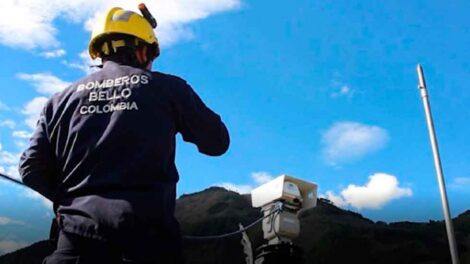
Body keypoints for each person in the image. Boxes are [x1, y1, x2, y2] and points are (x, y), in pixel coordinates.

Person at [19, 5, 229, 264]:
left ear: (100, 51)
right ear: (141, 51)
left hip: (75, 243)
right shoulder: (169, 88)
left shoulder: (58, 101)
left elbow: (30, 168)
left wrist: (66, 200)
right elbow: (217, 143)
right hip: (150, 244)